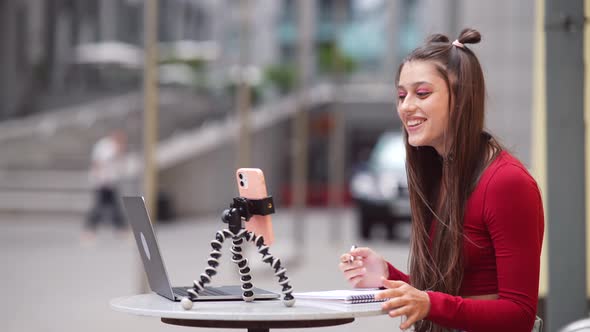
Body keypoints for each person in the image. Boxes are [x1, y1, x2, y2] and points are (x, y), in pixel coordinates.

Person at [339, 28, 544, 332]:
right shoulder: (440, 173)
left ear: (461, 99)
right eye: (401, 95)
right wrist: (386, 276)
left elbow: (519, 315)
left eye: (422, 93)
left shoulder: (507, 183)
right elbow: (448, 298)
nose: (406, 106)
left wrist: (430, 304)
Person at [82, 130, 129, 242]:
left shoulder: (116, 148)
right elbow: (98, 162)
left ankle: (121, 229)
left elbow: (119, 165)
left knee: (115, 206)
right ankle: (89, 230)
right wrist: (100, 179)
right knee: (98, 207)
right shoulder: (104, 146)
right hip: (101, 182)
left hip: (111, 182)